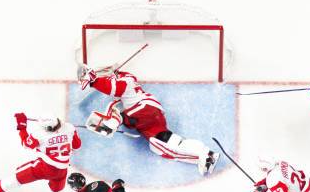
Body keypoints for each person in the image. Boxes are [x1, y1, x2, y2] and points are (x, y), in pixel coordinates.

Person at [77, 65, 219, 175]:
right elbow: (117, 85)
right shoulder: (130, 82)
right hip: (153, 114)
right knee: (165, 142)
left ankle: (111, 123)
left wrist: (93, 80)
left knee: (115, 106)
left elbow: (112, 88)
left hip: (143, 109)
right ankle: (206, 154)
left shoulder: (125, 82)